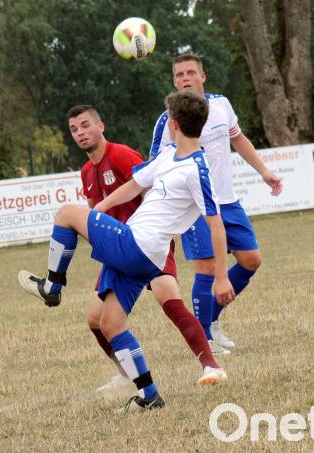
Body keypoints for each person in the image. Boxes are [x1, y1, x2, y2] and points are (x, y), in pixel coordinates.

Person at [18, 92, 236, 411]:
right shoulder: (169, 155)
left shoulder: (197, 168)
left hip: (140, 245)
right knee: (110, 323)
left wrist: (221, 277)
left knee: (66, 213)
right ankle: (149, 394)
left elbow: (216, 225)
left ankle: (52, 286)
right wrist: (101, 210)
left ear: (173, 124)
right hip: (141, 253)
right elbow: (134, 185)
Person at [67, 104, 227, 391]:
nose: (81, 133)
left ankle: (210, 364)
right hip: (120, 247)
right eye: (74, 129)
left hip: (148, 243)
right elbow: (106, 203)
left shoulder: (122, 154)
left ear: (100, 126)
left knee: (170, 301)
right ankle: (126, 374)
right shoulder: (86, 172)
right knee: (96, 320)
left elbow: (149, 189)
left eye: (86, 125)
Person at [150, 54, 283, 351]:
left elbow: (239, 139)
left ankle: (210, 320)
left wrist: (264, 171)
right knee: (207, 269)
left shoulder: (221, 105)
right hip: (194, 207)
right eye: (179, 75)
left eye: (190, 73)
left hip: (228, 201)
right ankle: (206, 342)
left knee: (251, 260)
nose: (184, 78)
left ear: (202, 76)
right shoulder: (168, 121)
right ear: (174, 81)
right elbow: (154, 167)